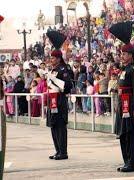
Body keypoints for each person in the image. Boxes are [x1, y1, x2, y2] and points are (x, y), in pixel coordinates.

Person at [109, 22, 134, 172]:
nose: (121, 56)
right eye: (121, 54)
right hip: (122, 104)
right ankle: (126, 160)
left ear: (130, 55)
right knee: (123, 134)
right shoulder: (125, 68)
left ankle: (132, 162)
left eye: (124, 54)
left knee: (130, 134)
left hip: (129, 105)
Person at [46, 31, 73, 160]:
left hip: (60, 100)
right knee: (53, 125)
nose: (51, 60)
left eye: (53, 58)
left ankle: (63, 151)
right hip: (52, 100)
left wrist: (54, 80)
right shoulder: (53, 70)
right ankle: (57, 150)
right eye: (51, 58)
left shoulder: (63, 69)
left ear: (58, 58)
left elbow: (68, 86)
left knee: (61, 127)